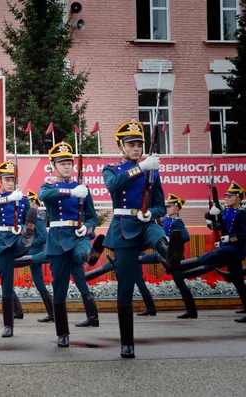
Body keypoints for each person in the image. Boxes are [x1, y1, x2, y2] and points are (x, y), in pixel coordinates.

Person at [102, 119, 183, 359]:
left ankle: (169, 254)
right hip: (123, 228)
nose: (136, 148)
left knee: (158, 233)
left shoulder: (152, 171)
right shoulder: (111, 169)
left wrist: (152, 213)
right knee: (125, 288)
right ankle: (127, 343)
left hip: (145, 222)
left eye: (139, 144)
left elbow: (160, 205)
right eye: (131, 144)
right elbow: (114, 185)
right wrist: (142, 167)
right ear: (121, 147)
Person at [38, 141, 105, 348]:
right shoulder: (48, 187)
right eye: (62, 163)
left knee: (82, 251)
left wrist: (86, 227)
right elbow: (43, 196)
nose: (67, 166)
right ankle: (62, 333)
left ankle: (89, 256)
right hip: (58, 240)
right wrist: (70, 193)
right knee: (59, 289)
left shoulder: (83, 189)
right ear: (53, 166)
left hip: (77, 236)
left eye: (69, 163)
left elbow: (92, 217)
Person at [171, 180, 246, 323]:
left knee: (210, 257)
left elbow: (244, 233)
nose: (227, 198)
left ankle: (181, 266)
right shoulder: (226, 210)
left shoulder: (242, 213)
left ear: (238, 197)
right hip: (227, 248)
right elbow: (215, 222)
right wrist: (210, 213)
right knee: (237, 280)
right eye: (227, 196)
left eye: (230, 196)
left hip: (234, 249)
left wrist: (229, 239)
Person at [0, 161, 38, 337]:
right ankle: (8, 325)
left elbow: (23, 215)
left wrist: (25, 225)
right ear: (0, 180)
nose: (10, 183)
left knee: (24, 241)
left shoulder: (22, 200)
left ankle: (28, 236)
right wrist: (8, 198)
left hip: (18, 238)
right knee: (6, 284)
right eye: (7, 179)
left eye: (12, 180)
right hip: (1, 243)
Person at [27, 190, 55, 323]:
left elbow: (43, 237)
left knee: (40, 284)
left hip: (35, 253)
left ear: (34, 203)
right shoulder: (30, 217)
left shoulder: (38, 217)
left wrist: (27, 246)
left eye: (30, 202)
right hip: (32, 252)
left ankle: (53, 312)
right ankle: (52, 313)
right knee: (39, 285)